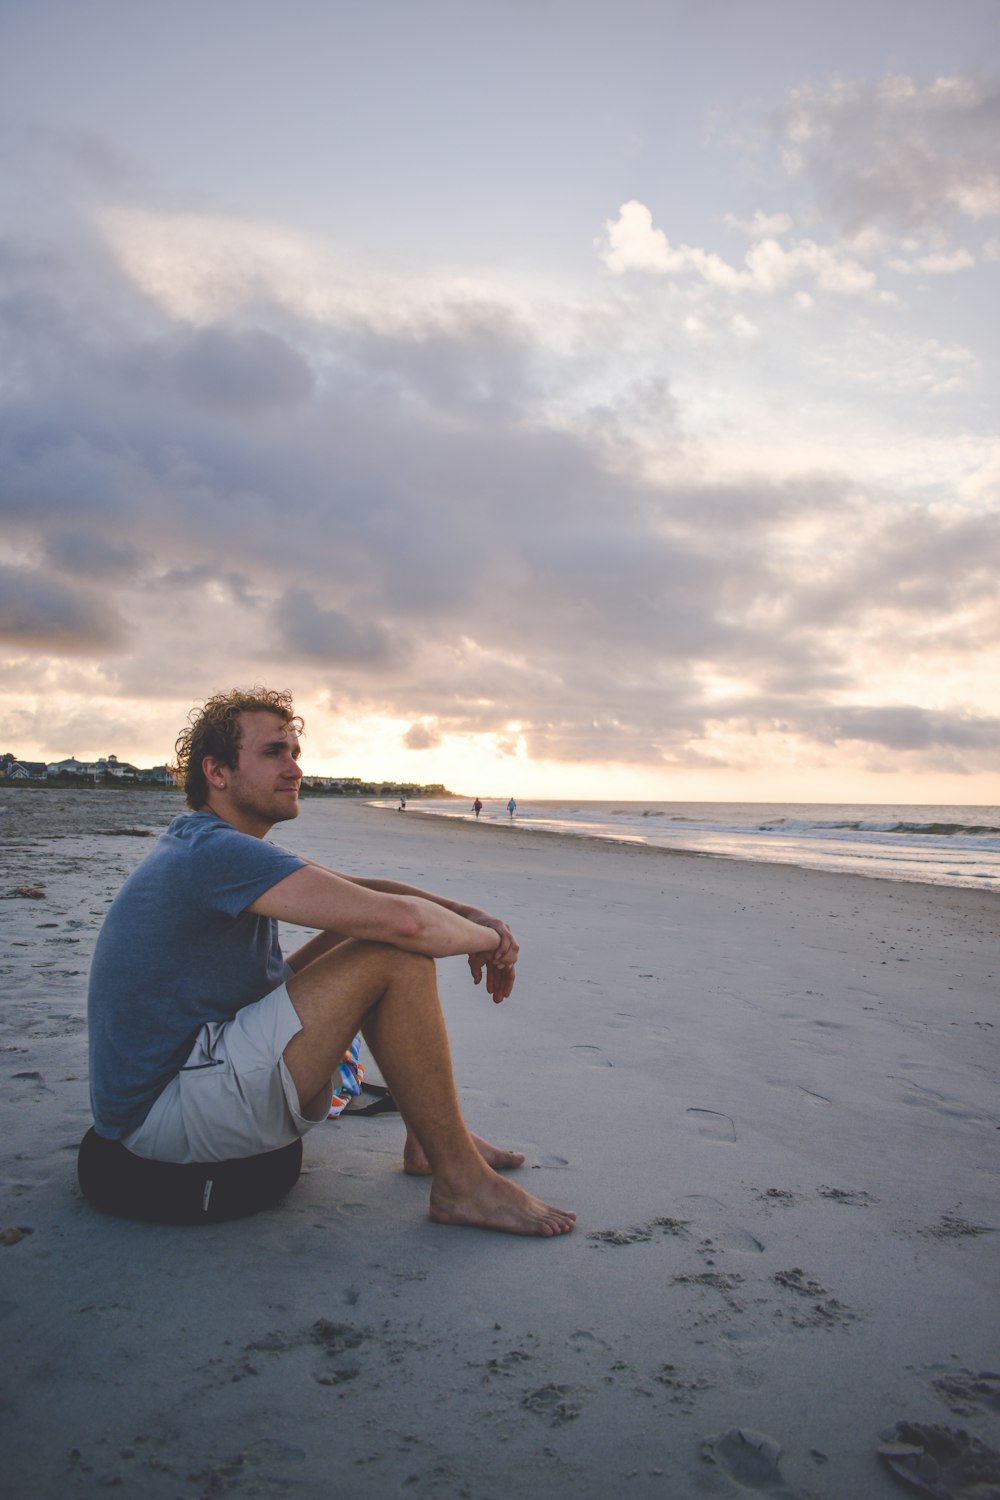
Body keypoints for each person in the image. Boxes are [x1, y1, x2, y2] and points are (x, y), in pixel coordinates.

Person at [86, 688, 574, 1237]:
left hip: (191, 1075)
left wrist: (470, 914)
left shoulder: (215, 843)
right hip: (165, 1112)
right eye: (274, 752)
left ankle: (429, 1138)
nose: (295, 768)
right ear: (217, 772)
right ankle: (461, 1181)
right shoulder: (215, 852)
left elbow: (362, 893)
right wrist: (485, 941)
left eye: (295, 751)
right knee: (397, 954)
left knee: (367, 933)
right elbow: (406, 923)